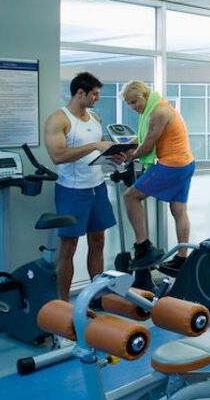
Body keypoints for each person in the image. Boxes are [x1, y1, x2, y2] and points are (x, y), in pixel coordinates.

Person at [44, 72, 124, 300]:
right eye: (95, 94)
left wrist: (114, 156)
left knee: (98, 241)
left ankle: (95, 296)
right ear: (80, 93)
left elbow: (100, 149)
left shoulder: (94, 117)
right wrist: (93, 146)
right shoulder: (58, 119)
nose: (98, 98)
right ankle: (62, 302)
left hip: (97, 187)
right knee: (68, 247)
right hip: (71, 191)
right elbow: (58, 156)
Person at [120, 80, 196, 271]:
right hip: (186, 163)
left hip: (172, 165)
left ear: (145, 95)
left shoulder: (158, 112)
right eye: (129, 103)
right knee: (178, 210)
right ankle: (182, 259)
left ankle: (143, 247)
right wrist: (123, 145)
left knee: (130, 197)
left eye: (135, 101)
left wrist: (131, 156)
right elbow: (144, 137)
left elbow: (147, 145)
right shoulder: (159, 107)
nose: (133, 107)